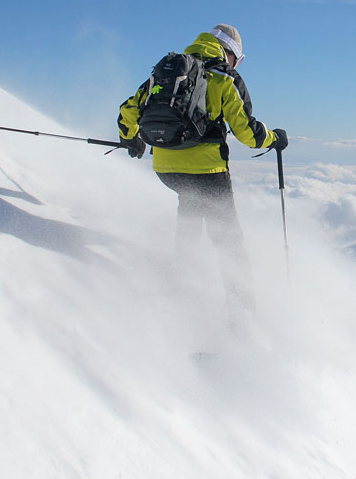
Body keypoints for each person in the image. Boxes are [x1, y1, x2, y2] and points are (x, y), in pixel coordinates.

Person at [117, 24, 288, 313]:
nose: (236, 63)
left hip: (166, 169)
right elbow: (248, 133)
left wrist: (132, 140)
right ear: (229, 52)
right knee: (229, 241)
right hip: (208, 173)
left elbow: (127, 111)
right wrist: (275, 138)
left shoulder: (166, 72)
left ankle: (180, 288)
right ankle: (242, 315)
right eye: (238, 57)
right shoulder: (225, 78)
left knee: (189, 210)